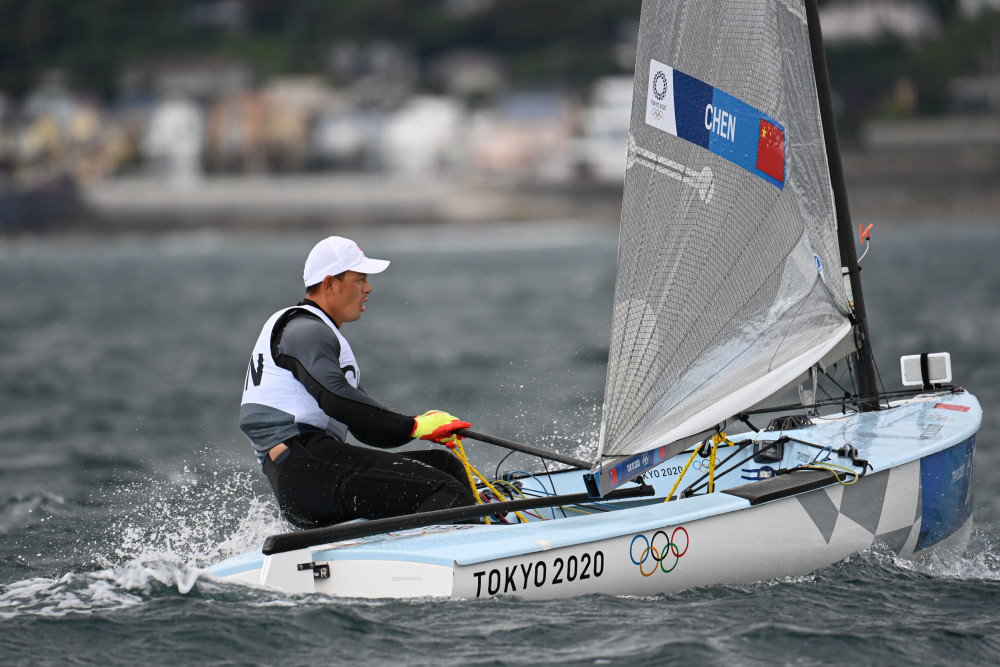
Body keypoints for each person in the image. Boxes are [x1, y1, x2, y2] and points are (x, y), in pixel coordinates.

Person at [240, 235, 476, 529]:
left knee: (446, 467)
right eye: (360, 278)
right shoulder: (304, 330)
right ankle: (460, 560)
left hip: (311, 469)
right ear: (329, 284)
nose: (368, 288)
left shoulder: (319, 333)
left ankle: (483, 531)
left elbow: (365, 427)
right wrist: (414, 425)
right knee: (445, 490)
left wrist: (423, 429)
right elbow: (335, 400)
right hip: (306, 468)